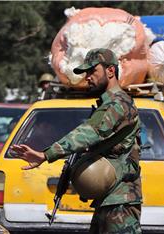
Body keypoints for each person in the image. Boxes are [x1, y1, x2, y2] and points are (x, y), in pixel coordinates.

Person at [11, 48, 142, 233]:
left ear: (111, 71)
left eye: (92, 71)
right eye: (86, 73)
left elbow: (89, 132)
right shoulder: (108, 104)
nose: (88, 77)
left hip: (121, 200)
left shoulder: (119, 104)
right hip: (109, 198)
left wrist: (46, 154)